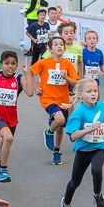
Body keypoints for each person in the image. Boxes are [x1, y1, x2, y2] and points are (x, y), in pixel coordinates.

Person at [60, 78, 104, 207]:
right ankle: (66, 204)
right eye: (89, 91)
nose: (93, 94)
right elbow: (72, 136)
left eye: (95, 91)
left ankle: (98, 195)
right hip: (83, 150)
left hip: (99, 147)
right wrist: (88, 129)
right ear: (81, 94)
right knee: (74, 182)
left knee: (96, 170)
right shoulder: (79, 112)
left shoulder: (103, 106)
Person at [26, 36, 79, 166]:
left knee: (60, 128)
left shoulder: (67, 64)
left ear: (65, 48)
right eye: (56, 44)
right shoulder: (44, 62)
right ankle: (49, 132)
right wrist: (35, 87)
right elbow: (30, 71)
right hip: (48, 98)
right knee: (60, 120)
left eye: (61, 44)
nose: (59, 46)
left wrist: (66, 77)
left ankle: (56, 151)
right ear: (50, 48)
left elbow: (76, 82)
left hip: (63, 99)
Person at [0, 51, 34, 184]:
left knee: (5, 142)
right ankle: (4, 170)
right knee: (8, 138)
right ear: (1, 64)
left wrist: (27, 73)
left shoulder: (18, 78)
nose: (10, 66)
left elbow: (30, 93)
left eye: (13, 64)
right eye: (7, 63)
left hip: (12, 119)